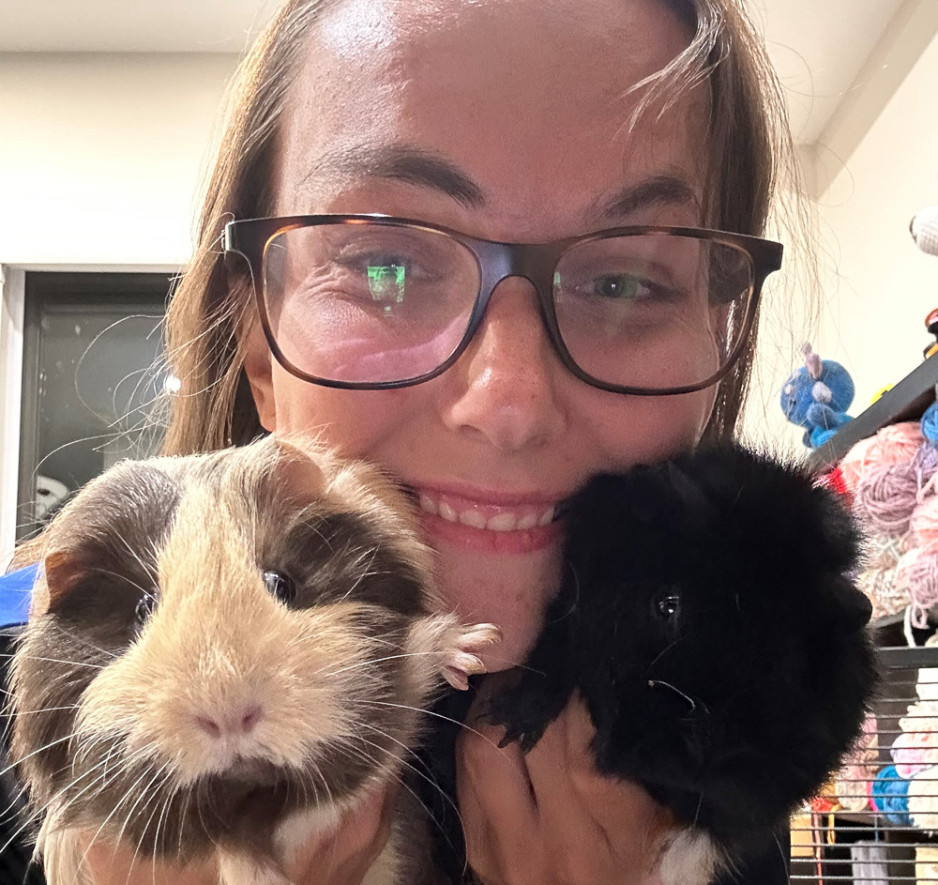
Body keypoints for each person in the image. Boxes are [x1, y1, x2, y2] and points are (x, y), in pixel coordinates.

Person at [71, 0, 796, 881]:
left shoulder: (720, 757)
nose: (511, 402)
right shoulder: (50, 760)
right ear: (258, 346)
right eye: (386, 266)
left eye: (624, 279)